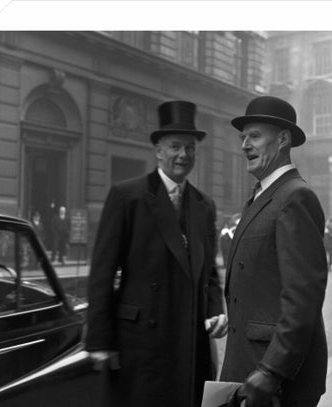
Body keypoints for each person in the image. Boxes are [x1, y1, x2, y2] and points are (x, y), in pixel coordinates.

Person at [86, 100, 228, 407]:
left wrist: (216, 310)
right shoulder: (127, 196)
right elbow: (102, 271)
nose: (183, 155)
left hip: (189, 338)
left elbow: (210, 275)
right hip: (140, 341)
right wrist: (100, 339)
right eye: (175, 146)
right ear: (158, 150)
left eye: (190, 148)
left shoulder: (204, 205)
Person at [220, 96, 328, 407]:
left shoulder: (295, 197)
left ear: (282, 139)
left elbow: (303, 296)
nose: (244, 146)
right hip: (250, 364)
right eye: (243, 138)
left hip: (276, 378)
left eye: (254, 136)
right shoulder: (264, 195)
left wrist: (272, 369)